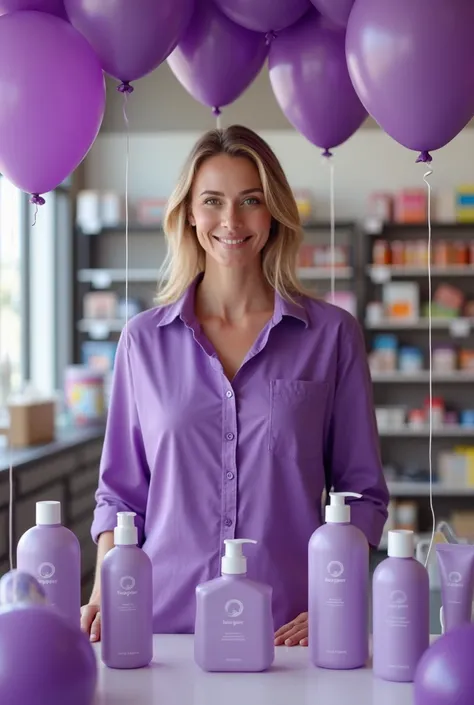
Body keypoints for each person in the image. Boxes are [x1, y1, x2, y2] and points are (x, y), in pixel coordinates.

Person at [81, 124, 389, 648]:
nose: (231, 220)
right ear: (189, 215)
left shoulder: (332, 337)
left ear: (274, 213)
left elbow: (362, 493)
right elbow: (121, 495)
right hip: (161, 630)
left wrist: (335, 599)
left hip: (288, 633)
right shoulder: (142, 342)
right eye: (212, 201)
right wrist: (103, 590)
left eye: (250, 199)